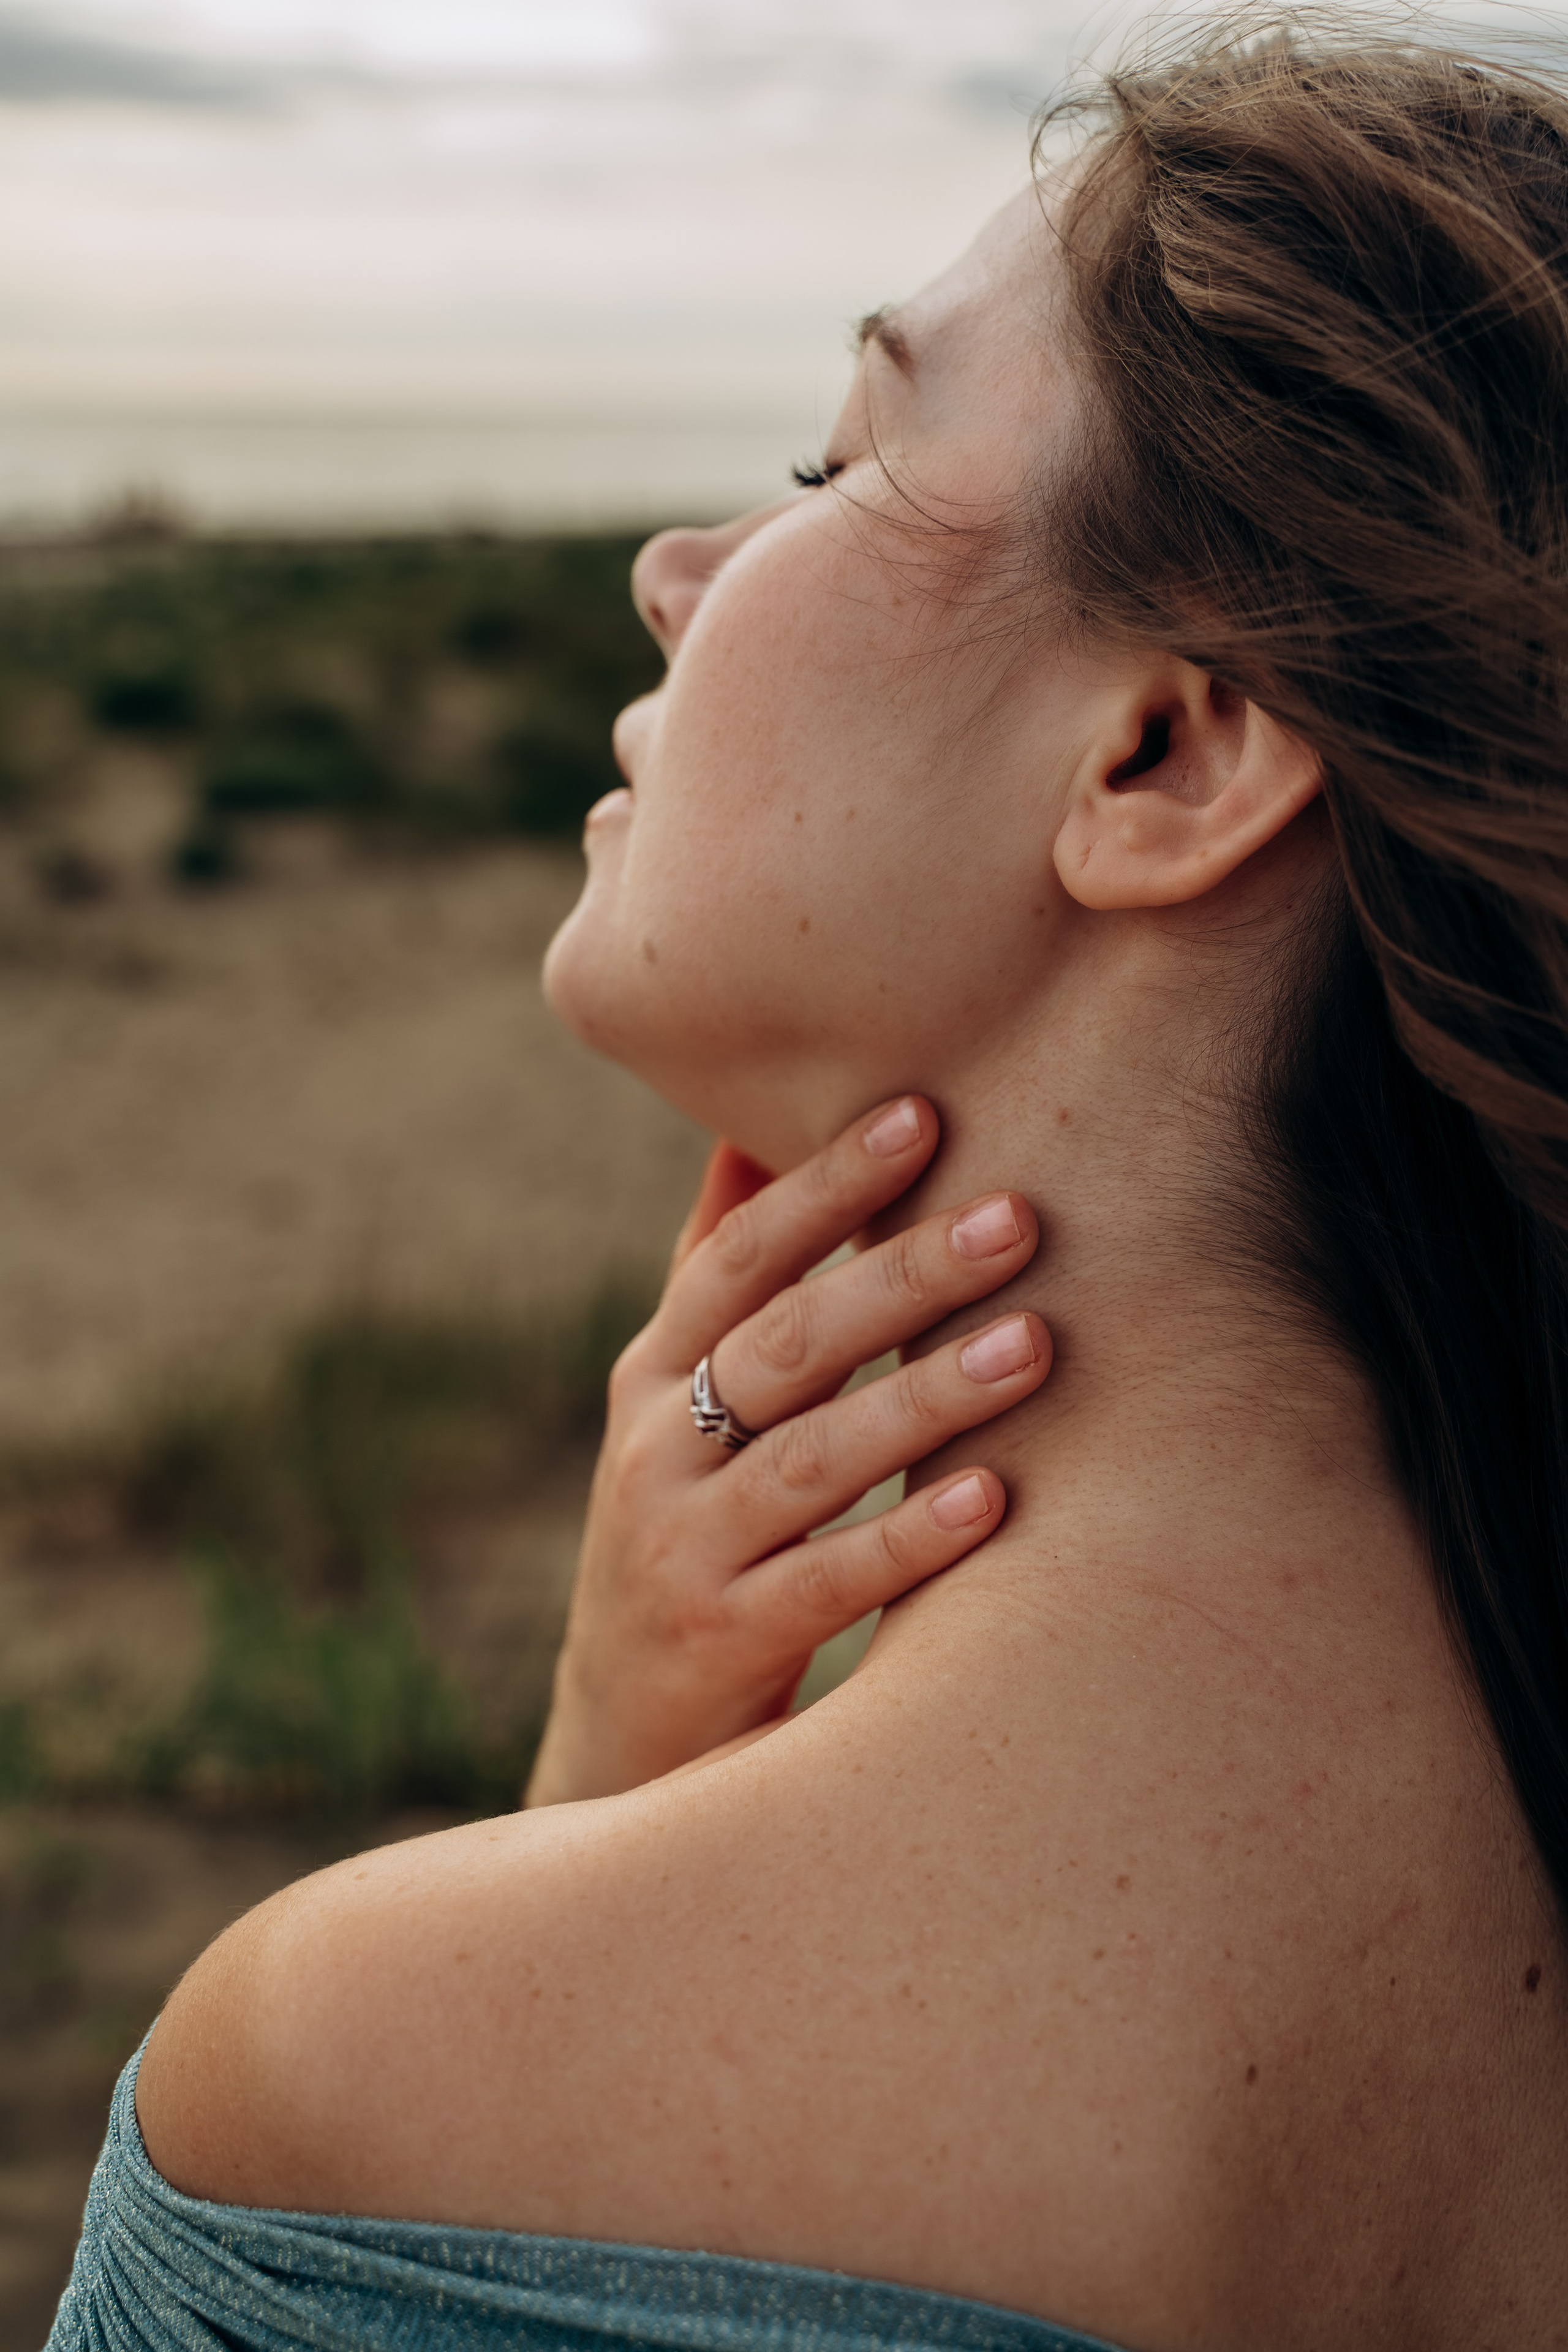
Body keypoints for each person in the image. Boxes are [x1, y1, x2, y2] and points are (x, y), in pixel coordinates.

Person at [50, 22, 1568, 2352]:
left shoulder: (356, 2095)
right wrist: (620, 1756)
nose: (676, 570)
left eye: (833, 458)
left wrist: (567, 1833)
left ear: (1167, 752)